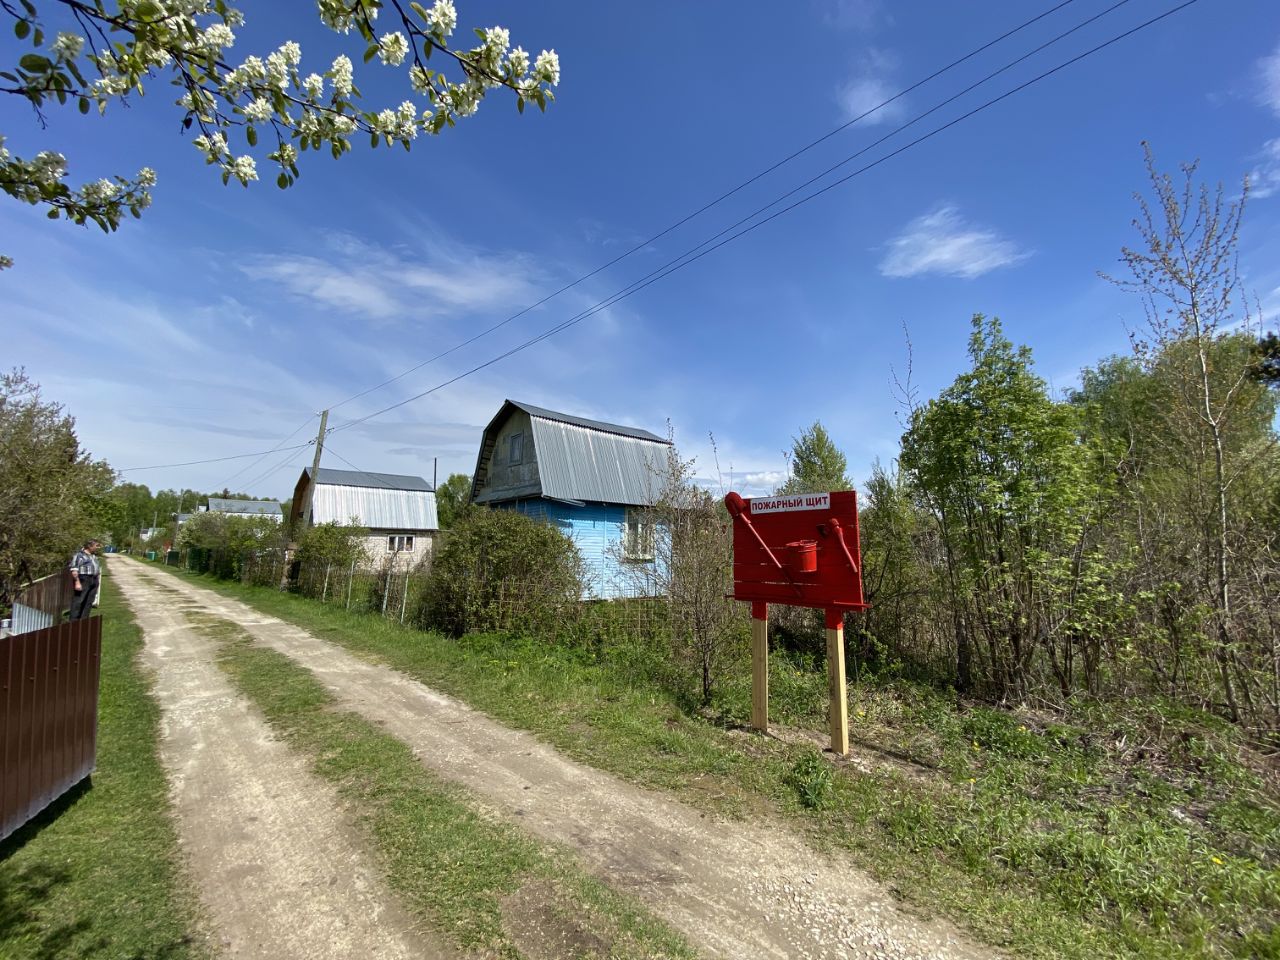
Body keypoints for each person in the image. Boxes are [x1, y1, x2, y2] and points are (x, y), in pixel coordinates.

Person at [68, 539, 102, 620]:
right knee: (79, 601)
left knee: (89, 601)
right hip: (84, 579)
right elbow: (74, 570)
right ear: (90, 546)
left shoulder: (93, 556)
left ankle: (84, 621)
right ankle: (73, 621)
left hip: (93, 579)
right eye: (96, 546)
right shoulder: (79, 555)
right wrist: (77, 582)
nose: (98, 548)